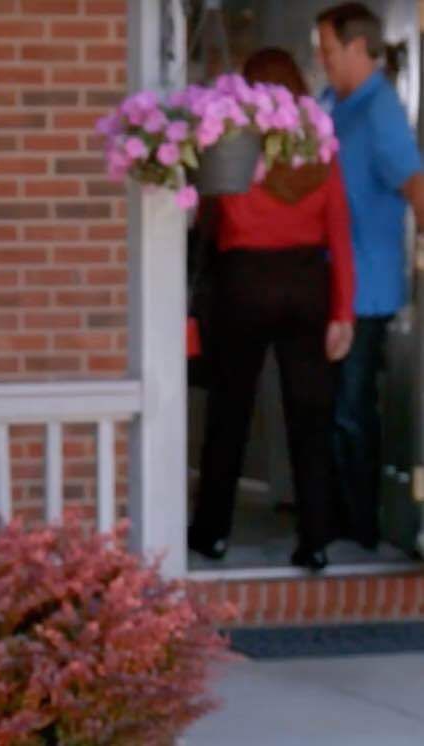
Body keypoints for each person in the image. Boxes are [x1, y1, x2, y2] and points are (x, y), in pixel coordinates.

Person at [188, 48, 356, 572]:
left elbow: (208, 223)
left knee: (230, 412)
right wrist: (343, 313)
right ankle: (315, 541)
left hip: (244, 284)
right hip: (307, 284)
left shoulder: (232, 152)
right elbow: (340, 237)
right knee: (309, 417)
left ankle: (212, 533)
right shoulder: (321, 154)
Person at [316, 3, 424, 551]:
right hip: (330, 280)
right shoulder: (333, 101)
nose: (322, 60)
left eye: (329, 51)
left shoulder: (380, 110)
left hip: (367, 287)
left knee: (351, 410)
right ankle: (333, 517)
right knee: (334, 406)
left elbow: (417, 188)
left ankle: (361, 530)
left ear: (359, 49)